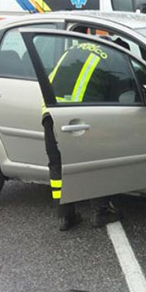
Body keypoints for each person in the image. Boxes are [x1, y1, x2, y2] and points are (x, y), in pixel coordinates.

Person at [42, 40, 122, 231]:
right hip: (81, 116)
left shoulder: (75, 49)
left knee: (58, 167)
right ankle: (99, 212)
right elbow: (115, 100)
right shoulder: (113, 59)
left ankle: (64, 215)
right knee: (94, 163)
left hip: (52, 114)